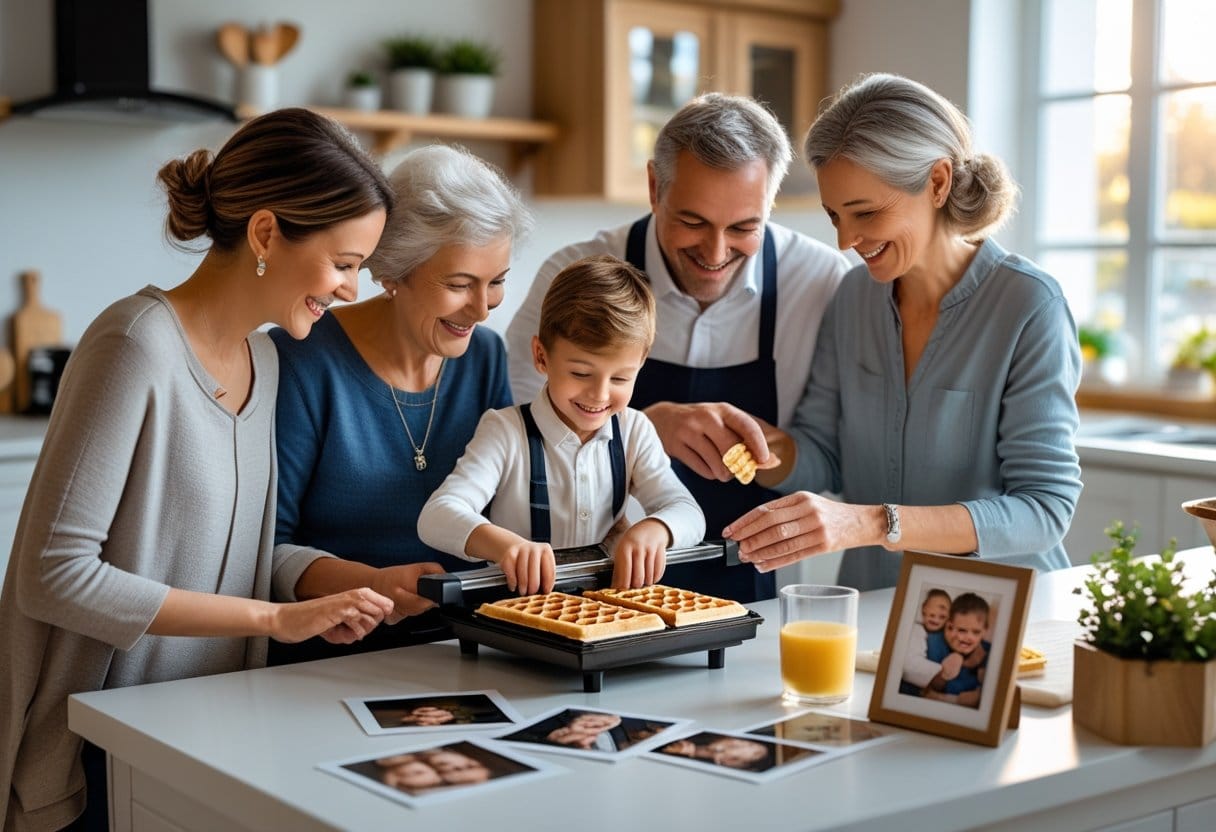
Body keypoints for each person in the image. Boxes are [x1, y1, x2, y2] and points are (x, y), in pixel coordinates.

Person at [0, 108, 398, 832]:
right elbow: (52, 573)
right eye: (344, 264)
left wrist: (351, 588)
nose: (351, 289)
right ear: (268, 234)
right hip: (98, 755)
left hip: (210, 742)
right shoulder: (134, 345)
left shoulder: (268, 359)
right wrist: (275, 620)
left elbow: (224, 559)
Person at [725, 73, 1083, 591]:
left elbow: (1044, 509)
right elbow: (824, 460)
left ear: (937, 183)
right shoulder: (853, 298)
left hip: (998, 616)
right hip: (877, 606)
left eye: (866, 213)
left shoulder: (1028, 305)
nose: (846, 240)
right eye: (834, 216)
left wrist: (871, 523)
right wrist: (759, 448)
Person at [506, 93, 850, 602]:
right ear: (653, 186)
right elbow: (514, 436)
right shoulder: (573, 274)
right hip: (592, 587)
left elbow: (834, 459)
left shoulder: (822, 283)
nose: (715, 253)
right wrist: (645, 427)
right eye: (692, 222)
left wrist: (767, 451)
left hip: (755, 592)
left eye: (743, 228)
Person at [269, 144, 534, 664]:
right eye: (460, 285)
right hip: (329, 659)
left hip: (463, 650)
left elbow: (509, 509)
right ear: (393, 272)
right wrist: (375, 586)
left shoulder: (483, 356)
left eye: (496, 281)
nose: (481, 308)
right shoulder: (302, 359)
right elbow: (265, 553)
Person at [419, 256, 705, 592]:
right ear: (541, 356)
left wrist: (655, 528)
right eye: (581, 373)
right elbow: (437, 516)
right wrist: (507, 547)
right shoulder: (505, 432)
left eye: (620, 378)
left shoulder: (634, 431)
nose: (599, 394)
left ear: (641, 365)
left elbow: (688, 511)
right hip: (516, 612)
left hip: (606, 614)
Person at [924, 592, 991, 708]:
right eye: (962, 630)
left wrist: (979, 664)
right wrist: (946, 673)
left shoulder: (986, 649)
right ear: (948, 627)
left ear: (984, 631)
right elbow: (933, 686)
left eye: (976, 632)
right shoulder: (935, 643)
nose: (969, 638)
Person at [899, 587, 952, 696]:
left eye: (942, 617)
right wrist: (940, 672)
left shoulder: (945, 634)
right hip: (916, 686)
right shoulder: (916, 630)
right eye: (932, 615)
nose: (936, 620)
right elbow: (909, 662)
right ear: (924, 610)